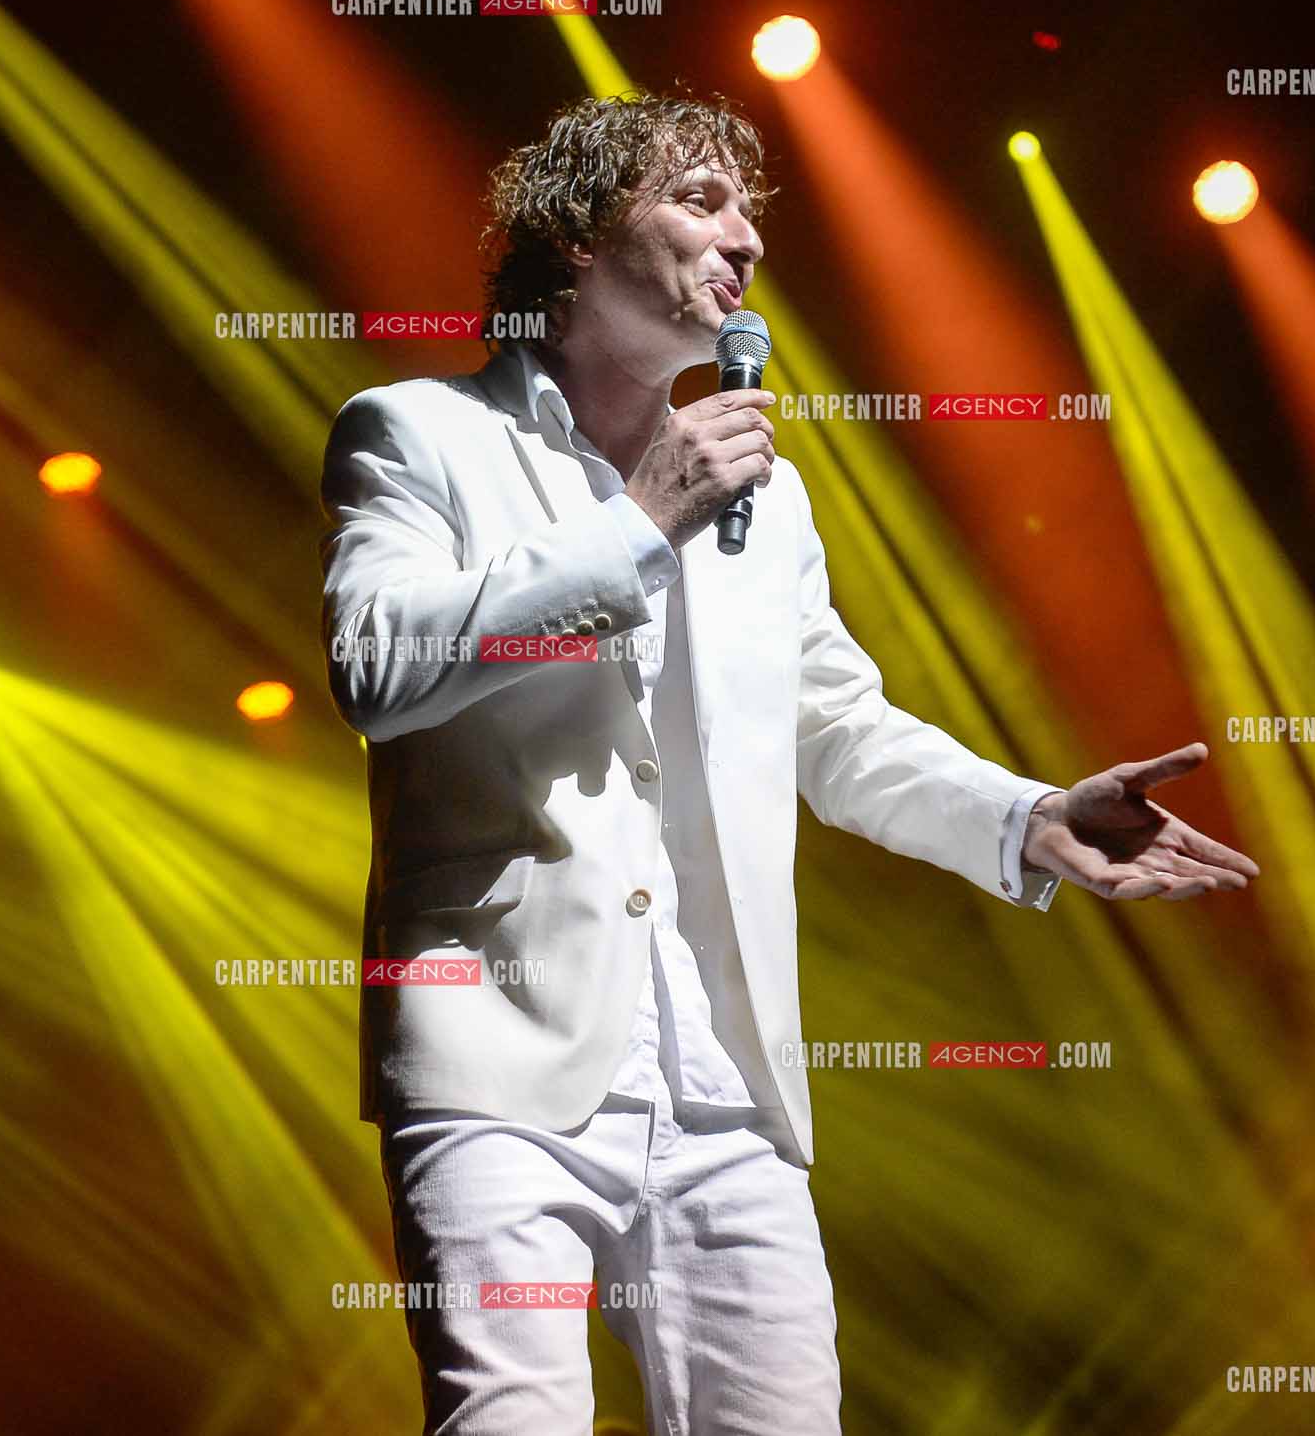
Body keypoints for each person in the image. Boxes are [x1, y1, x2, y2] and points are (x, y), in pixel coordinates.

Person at [318, 88, 1259, 1435]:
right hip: (497, 1064)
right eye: (701, 201)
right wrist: (639, 524)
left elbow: (832, 726)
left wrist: (1027, 815)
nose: (745, 239)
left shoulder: (761, 482)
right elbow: (378, 672)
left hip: (723, 1081)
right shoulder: (419, 435)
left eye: (751, 210)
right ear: (577, 236)